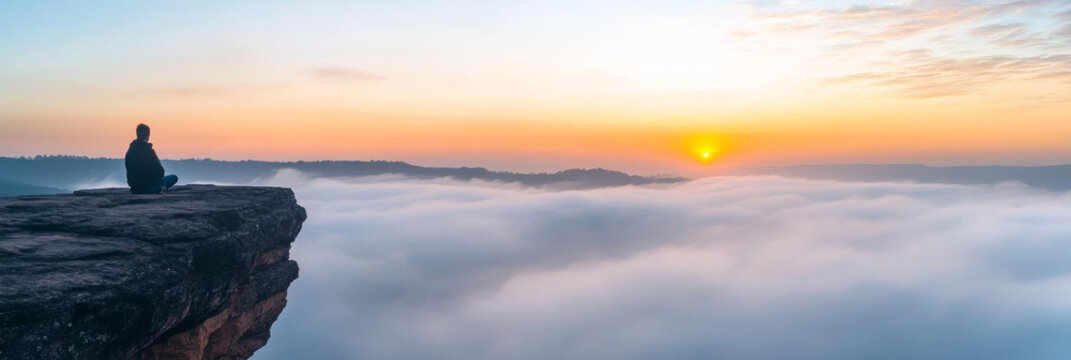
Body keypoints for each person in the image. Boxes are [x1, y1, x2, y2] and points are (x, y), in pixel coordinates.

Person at [125, 124, 178, 194]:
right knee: (174, 177)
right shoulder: (149, 151)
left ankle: (159, 187)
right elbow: (161, 171)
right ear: (147, 136)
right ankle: (159, 188)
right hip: (149, 187)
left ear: (137, 134)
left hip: (135, 188)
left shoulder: (130, 151)